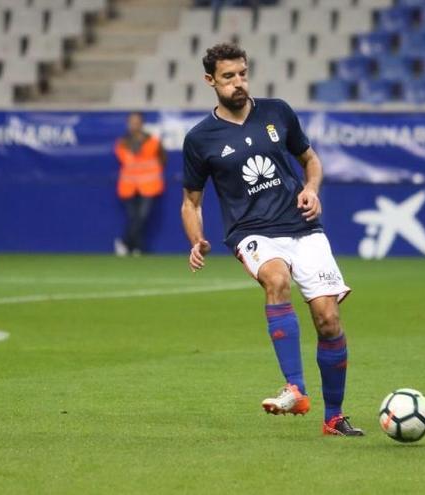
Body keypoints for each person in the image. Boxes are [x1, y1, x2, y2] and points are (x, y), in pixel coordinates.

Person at [180, 43, 363, 437]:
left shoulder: (278, 112)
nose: (238, 83)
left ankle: (333, 418)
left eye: (243, 73)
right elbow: (190, 202)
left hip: (303, 227)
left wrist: (312, 189)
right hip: (252, 233)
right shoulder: (200, 139)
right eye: (228, 77)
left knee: (328, 320)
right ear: (210, 81)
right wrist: (197, 239)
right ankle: (295, 388)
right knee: (276, 280)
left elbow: (310, 160)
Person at [113, 111, 166, 257]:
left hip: (148, 186)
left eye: (137, 122)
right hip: (128, 187)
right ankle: (137, 247)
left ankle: (125, 243)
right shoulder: (123, 142)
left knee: (142, 217)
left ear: (142, 123)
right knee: (133, 218)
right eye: (132, 122)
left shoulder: (153, 141)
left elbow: (162, 158)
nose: (134, 125)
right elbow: (123, 159)